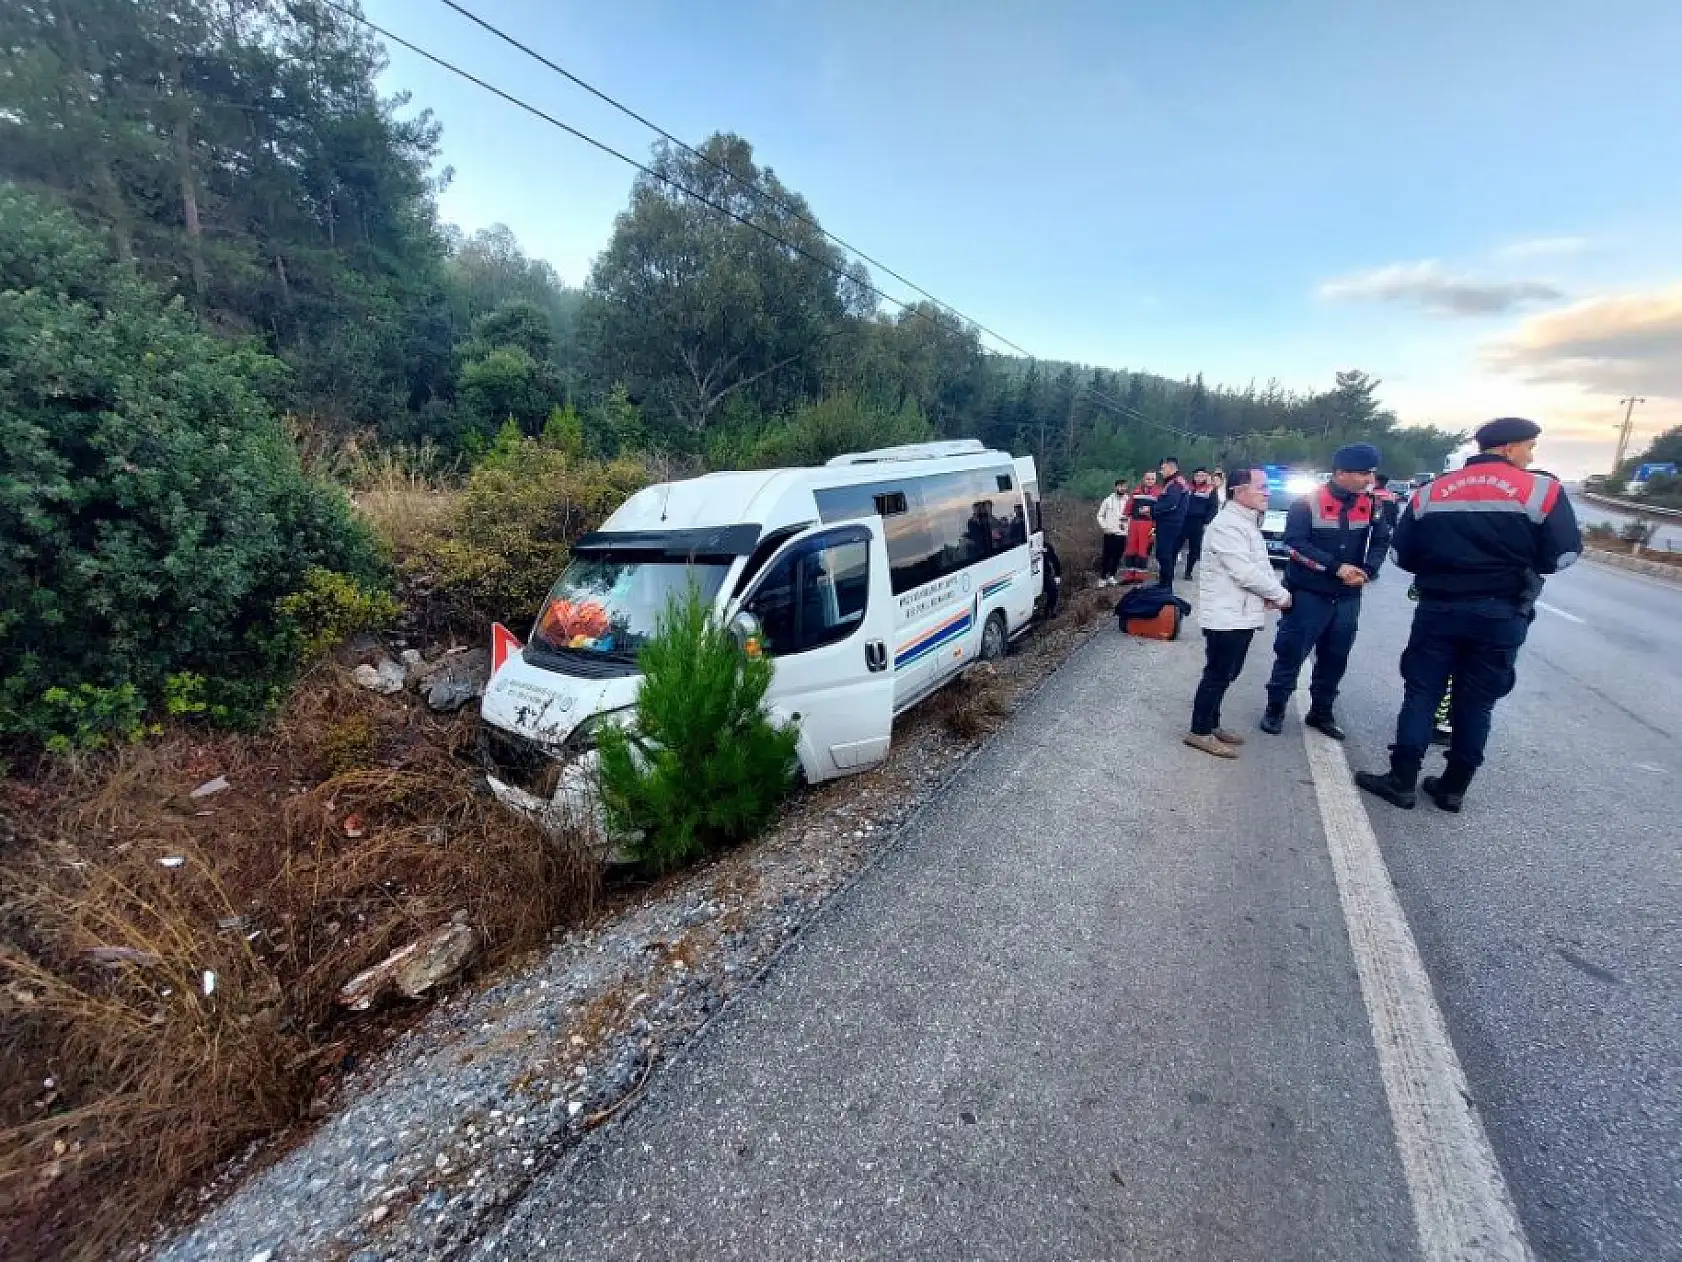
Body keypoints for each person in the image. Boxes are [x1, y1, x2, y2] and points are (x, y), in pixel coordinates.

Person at [1358, 419, 1581, 811]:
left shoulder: (1432, 491)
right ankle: (1453, 789)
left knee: (1422, 693)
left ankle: (1402, 781)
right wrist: (1519, 565)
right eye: (1529, 447)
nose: (1531, 456)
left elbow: (1401, 555)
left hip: (1439, 608)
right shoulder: (1543, 490)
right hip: (1502, 612)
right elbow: (1562, 555)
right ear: (1509, 448)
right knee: (1476, 703)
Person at [1258, 442, 1392, 739]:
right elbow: (1294, 544)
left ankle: (1321, 712)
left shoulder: (1372, 504)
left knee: (1335, 657)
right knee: (1291, 653)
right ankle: (1275, 708)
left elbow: (1382, 541)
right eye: (1363, 474)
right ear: (1341, 473)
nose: (1369, 480)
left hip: (1346, 597)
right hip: (1309, 592)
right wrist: (1335, 567)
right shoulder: (1307, 502)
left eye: (1371, 473)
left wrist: (1368, 571)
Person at [1184, 466, 1292, 758]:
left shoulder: (1246, 522)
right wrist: (1280, 596)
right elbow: (1244, 572)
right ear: (1239, 490)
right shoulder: (1228, 525)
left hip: (1239, 612)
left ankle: (1212, 723)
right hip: (1225, 614)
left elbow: (1260, 566)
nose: (1267, 493)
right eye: (1262, 487)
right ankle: (1199, 731)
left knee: (1229, 672)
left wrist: (1270, 592)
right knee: (1218, 673)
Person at [1153, 456, 1190, 586]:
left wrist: (1152, 509)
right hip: (1168, 524)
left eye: (1163, 468)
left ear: (1171, 468)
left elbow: (1171, 504)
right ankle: (1164, 584)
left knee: (1165, 555)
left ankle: (1165, 586)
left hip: (1170, 525)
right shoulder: (1172, 482)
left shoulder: (1176, 483)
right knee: (1164, 555)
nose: (1160, 471)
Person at [1180, 468, 1219, 580]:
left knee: (1194, 548)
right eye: (1197, 475)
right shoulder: (1188, 487)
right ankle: (1170, 569)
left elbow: (1213, 508)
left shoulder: (1210, 489)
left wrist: (1206, 522)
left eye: (1202, 476)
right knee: (1176, 545)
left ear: (1206, 477)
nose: (1199, 478)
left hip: (1198, 521)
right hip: (1184, 520)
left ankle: (1188, 572)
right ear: (1194, 476)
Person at [1123, 471, 1160, 573]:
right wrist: (1125, 516)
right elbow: (1129, 505)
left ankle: (1140, 575)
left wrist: (1155, 527)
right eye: (1148, 479)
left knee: (1144, 548)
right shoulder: (1136, 491)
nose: (1150, 481)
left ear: (1155, 480)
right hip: (1135, 522)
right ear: (1144, 479)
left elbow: (1160, 509)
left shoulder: (1159, 492)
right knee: (1131, 546)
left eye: (1152, 479)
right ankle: (1129, 574)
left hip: (1150, 523)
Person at [1095, 478, 1128, 585]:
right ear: (1116, 487)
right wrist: (1105, 527)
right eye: (1120, 486)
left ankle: (1112, 576)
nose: (1122, 488)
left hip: (1123, 533)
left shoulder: (1128, 500)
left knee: (1118, 556)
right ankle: (1103, 577)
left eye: (1124, 486)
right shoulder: (1108, 500)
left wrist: (1128, 526)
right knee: (1107, 556)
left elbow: (1132, 515)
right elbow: (1100, 515)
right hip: (1110, 533)